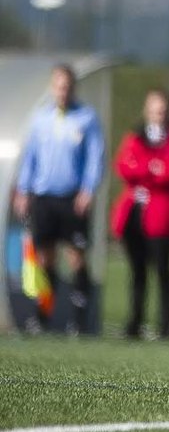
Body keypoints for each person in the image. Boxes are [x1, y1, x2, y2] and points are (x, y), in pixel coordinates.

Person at [12, 64, 105, 334]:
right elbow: (30, 158)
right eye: (58, 86)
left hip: (73, 198)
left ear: (73, 88)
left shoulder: (86, 118)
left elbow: (95, 157)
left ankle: (79, 320)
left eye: (67, 87)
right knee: (46, 259)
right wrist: (23, 190)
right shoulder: (41, 119)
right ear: (52, 88)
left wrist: (88, 189)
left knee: (76, 257)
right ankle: (42, 317)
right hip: (44, 197)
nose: (62, 92)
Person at [108, 89, 169, 340]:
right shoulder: (135, 138)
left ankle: (165, 325)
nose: (158, 114)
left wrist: (145, 170)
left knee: (163, 269)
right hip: (135, 213)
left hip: (162, 216)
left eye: (162, 110)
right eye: (154, 109)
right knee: (137, 269)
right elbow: (124, 166)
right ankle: (135, 322)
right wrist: (150, 168)